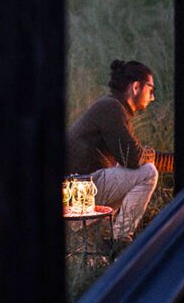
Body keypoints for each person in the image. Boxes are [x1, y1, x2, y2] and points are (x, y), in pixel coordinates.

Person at [66, 59, 159, 246]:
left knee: (122, 168)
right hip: (78, 191)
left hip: (77, 189)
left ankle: (97, 242)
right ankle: (121, 241)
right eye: (151, 90)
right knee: (148, 173)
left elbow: (126, 158)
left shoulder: (111, 107)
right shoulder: (111, 108)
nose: (152, 97)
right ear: (135, 87)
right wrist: (149, 155)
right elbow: (133, 158)